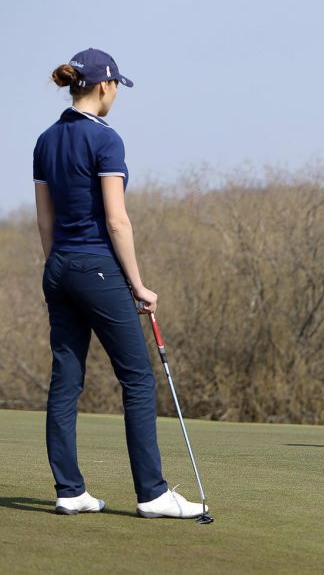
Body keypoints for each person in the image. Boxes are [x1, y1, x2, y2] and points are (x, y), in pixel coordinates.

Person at [33, 48, 206, 518]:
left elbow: (45, 220)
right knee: (136, 377)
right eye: (116, 88)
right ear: (105, 85)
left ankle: (70, 490)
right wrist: (138, 285)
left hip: (60, 268)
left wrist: (58, 271)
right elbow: (117, 221)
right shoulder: (106, 140)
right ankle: (152, 493)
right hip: (98, 268)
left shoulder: (46, 140)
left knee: (66, 380)